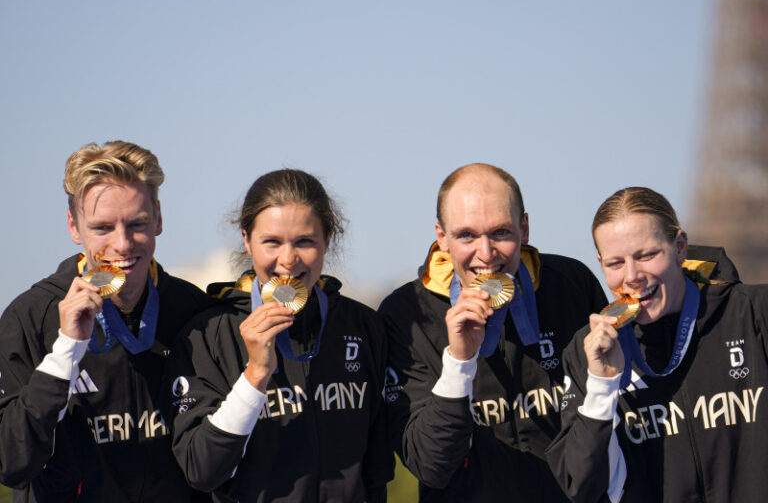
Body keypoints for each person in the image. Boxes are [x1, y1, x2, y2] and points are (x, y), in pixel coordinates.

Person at [380, 163, 607, 501]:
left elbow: (613, 426)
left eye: (500, 232)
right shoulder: (406, 313)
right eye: (466, 235)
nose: (485, 255)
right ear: (441, 236)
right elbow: (431, 465)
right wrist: (459, 362)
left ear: (525, 228)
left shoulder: (572, 284)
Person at [0, 141, 212, 502]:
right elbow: (11, 461)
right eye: (102, 228)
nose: (123, 244)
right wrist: (65, 351)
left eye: (137, 223)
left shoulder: (195, 311)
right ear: (73, 226)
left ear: (159, 217)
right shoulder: (31, 317)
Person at [164, 169, 392, 502]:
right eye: (272, 242)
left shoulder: (363, 326)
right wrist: (254, 375)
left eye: (304, 241)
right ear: (247, 240)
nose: (288, 259)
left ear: (327, 239)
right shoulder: (207, 334)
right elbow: (202, 470)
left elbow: (377, 473)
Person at [546, 186, 768, 502]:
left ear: (679, 247)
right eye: (615, 263)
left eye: (647, 255)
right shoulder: (587, 351)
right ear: (600, 262)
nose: (632, 276)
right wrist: (601, 386)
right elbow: (581, 487)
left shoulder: (753, 314)